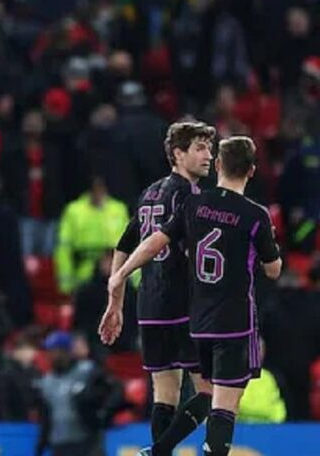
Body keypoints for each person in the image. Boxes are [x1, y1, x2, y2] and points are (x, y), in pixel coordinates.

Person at [104, 136, 282, 456]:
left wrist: (120, 274)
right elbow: (273, 270)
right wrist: (268, 249)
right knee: (224, 406)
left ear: (218, 165)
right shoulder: (255, 215)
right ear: (252, 171)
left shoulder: (194, 205)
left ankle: (158, 451)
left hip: (198, 321)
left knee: (202, 394)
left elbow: (154, 241)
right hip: (235, 321)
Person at [100, 121, 216, 448]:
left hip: (150, 306)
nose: (209, 155)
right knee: (209, 393)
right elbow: (184, 250)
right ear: (178, 154)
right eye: (200, 148)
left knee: (165, 393)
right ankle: (158, 451)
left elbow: (124, 245)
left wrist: (116, 300)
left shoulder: (149, 193)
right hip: (183, 304)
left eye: (209, 148)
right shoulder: (191, 196)